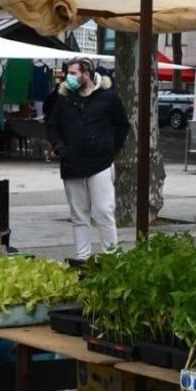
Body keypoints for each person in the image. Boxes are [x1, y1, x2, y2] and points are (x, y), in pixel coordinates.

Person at [45, 59, 127, 259]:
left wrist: (111, 148)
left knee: (103, 210)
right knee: (79, 214)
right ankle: (82, 257)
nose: (69, 77)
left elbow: (122, 125)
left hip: (100, 162)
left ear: (87, 74)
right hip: (71, 162)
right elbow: (52, 126)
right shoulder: (63, 99)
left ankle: (111, 256)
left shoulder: (108, 98)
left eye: (74, 73)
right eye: (68, 73)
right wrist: (60, 147)